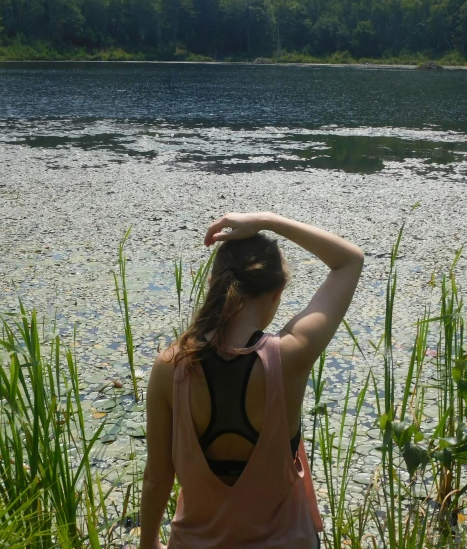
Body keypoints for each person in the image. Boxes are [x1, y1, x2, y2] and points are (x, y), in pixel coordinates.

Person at [139, 212, 364, 549]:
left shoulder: (170, 366)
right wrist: (267, 221)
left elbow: (157, 478)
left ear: (214, 283)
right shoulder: (289, 356)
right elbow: (349, 260)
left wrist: (148, 543)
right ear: (278, 291)